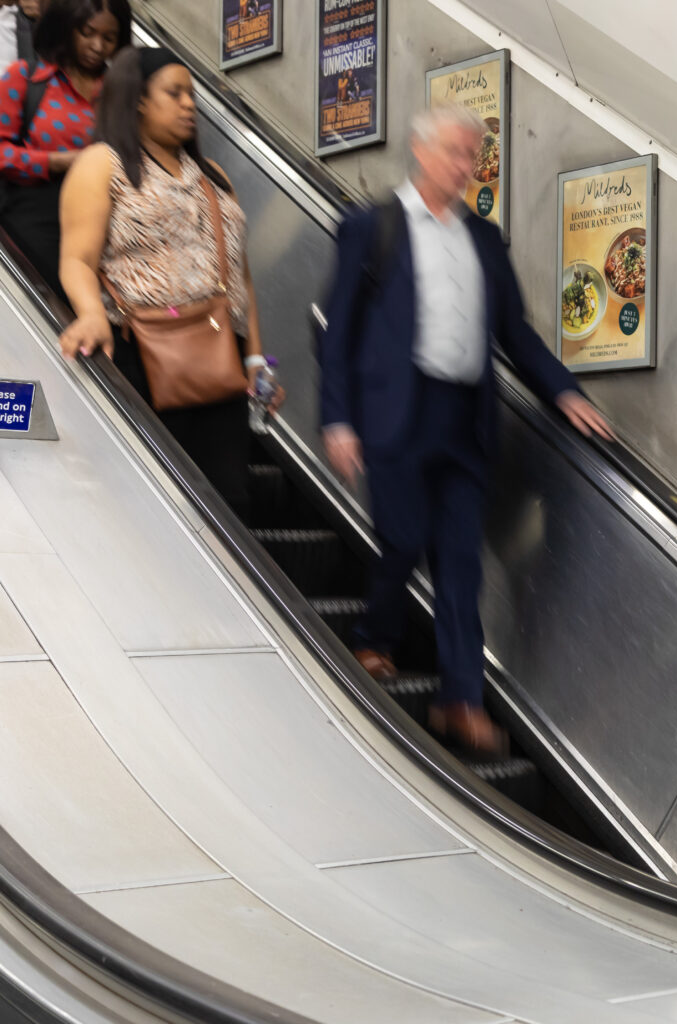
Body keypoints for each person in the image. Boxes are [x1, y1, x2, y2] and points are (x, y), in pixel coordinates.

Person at [319, 104, 613, 755]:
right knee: (401, 536)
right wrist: (337, 419)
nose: (464, 166)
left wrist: (563, 392)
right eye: (454, 153)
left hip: (466, 419)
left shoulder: (483, 239)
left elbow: (515, 332)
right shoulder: (373, 228)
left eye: (471, 156)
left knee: (460, 561)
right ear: (422, 152)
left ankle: (460, 698)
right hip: (396, 411)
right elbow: (339, 337)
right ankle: (374, 636)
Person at [56, 47, 281, 513]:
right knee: (153, 503)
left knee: (229, 503)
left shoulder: (213, 177)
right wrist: (92, 315)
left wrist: (255, 356)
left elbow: (240, 276)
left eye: (191, 95)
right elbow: (77, 257)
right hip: (143, 355)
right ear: (137, 98)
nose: (188, 104)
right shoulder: (102, 164)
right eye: (174, 93)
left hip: (220, 361)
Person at [0, 0, 128, 295]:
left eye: (109, 39)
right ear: (67, 27)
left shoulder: (121, 95)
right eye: (87, 33)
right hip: (34, 221)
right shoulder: (26, 78)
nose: (97, 46)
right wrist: (58, 161)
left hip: (103, 230)